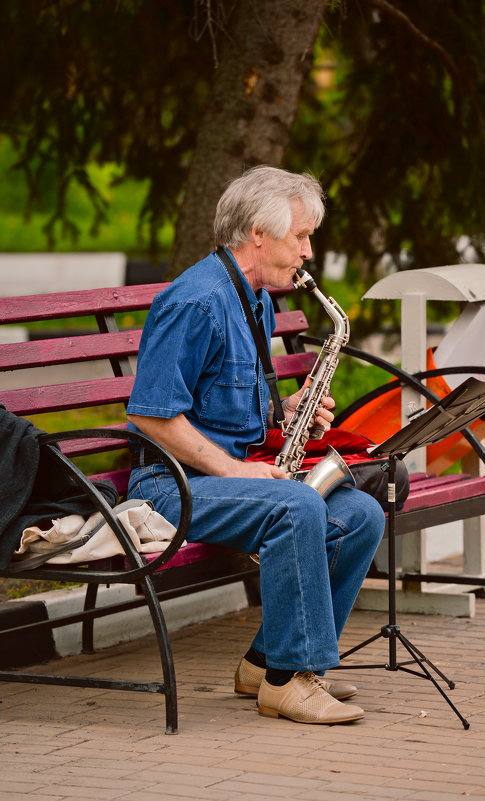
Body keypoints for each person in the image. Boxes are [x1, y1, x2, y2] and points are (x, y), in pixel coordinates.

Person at [126, 165, 385, 725]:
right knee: (298, 506)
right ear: (258, 235)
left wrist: (289, 412)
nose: (308, 252)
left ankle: (265, 662)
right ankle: (290, 680)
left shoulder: (256, 298)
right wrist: (234, 471)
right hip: (170, 485)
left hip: (224, 475)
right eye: (301, 237)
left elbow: (227, 401)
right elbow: (151, 415)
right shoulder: (195, 302)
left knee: (361, 513)